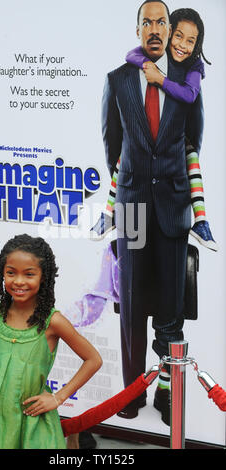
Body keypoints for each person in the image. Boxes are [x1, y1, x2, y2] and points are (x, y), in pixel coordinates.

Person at [101, 0, 204, 424]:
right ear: (138, 28)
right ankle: (129, 396)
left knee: (170, 307)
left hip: (174, 208)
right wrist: (120, 193)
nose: (157, 29)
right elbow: (112, 147)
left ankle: (166, 393)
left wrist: (195, 205)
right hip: (132, 210)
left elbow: (193, 142)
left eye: (164, 22)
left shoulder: (187, 83)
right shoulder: (118, 79)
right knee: (131, 309)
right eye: (150, 22)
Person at [91, 7, 217, 252]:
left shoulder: (192, 72)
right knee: (124, 153)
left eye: (190, 40)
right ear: (170, 34)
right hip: (132, 191)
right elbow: (112, 139)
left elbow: (195, 124)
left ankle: (201, 220)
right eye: (178, 36)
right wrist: (131, 177)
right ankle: (109, 213)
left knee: (190, 154)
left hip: (174, 191)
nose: (181, 44)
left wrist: (160, 79)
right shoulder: (121, 76)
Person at [0, 234, 102, 449]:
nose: (18, 281)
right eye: (10, 273)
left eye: (29, 274)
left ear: (43, 277)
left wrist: (58, 398)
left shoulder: (53, 322)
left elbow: (93, 359)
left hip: (35, 424)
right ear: (2, 274)